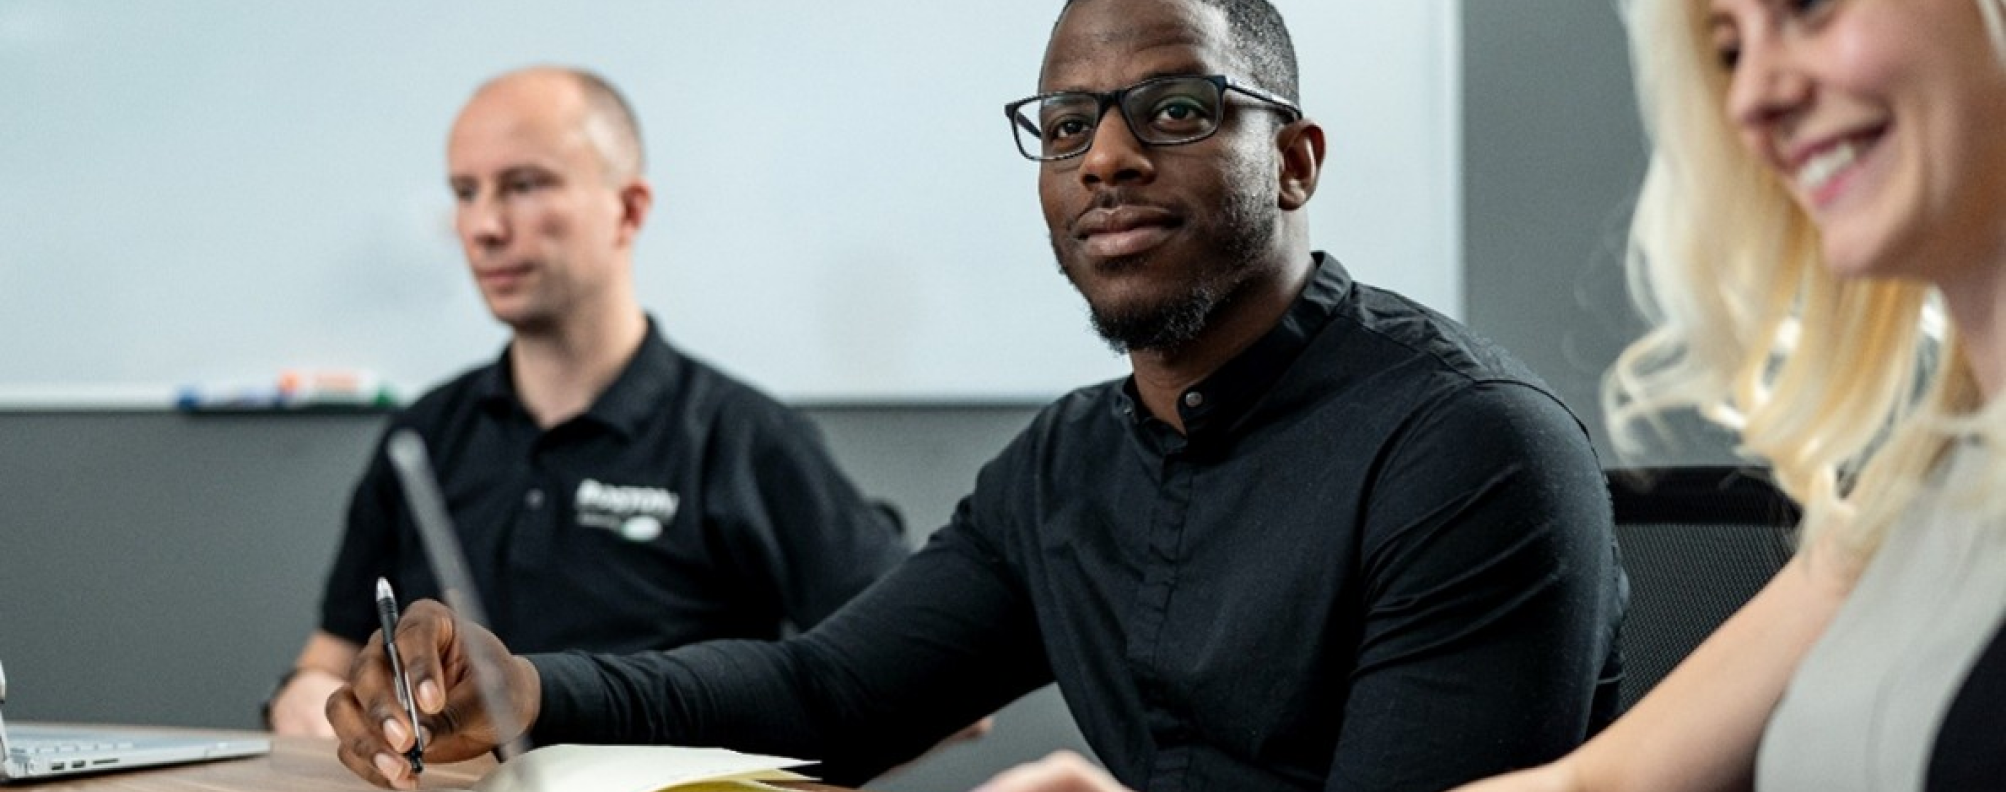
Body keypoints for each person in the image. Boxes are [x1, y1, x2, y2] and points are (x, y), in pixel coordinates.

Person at [330, 2, 1627, 790]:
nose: (1105, 156)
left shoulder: (1469, 453)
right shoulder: (1065, 468)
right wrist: (530, 694)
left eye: (1174, 108)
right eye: (1064, 126)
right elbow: (826, 697)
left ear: (1290, 161)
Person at [1446, 0, 2006, 791]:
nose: (1752, 98)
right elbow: (1601, 784)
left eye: (1808, 9)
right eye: (1729, 49)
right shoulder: (1915, 485)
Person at [264, 66, 911, 736]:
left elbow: (923, 676)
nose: (484, 226)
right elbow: (328, 660)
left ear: (628, 209)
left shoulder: (744, 439)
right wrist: (311, 702)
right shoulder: (423, 436)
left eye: (524, 185)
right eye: (465, 192)